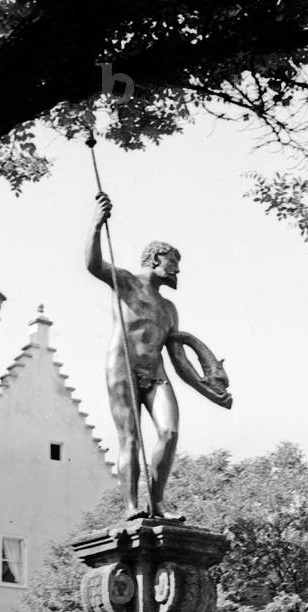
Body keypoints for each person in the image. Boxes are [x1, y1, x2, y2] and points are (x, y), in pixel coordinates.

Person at [86, 192, 232, 519]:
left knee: (170, 433)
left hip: (156, 372)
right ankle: (130, 507)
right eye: (173, 264)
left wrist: (209, 390)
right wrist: (96, 225)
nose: (178, 271)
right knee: (131, 439)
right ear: (155, 260)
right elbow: (93, 264)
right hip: (122, 366)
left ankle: (157, 503)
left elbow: (179, 360)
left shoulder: (169, 309)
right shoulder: (125, 282)